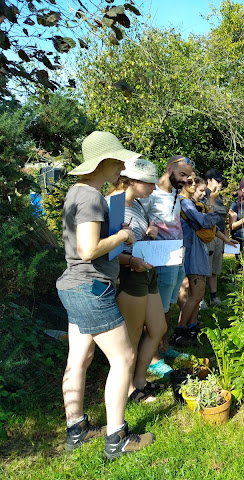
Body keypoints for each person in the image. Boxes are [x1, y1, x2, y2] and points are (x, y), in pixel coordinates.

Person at [56, 131, 154, 459]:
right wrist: (124, 234)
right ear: (103, 162)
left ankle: (77, 430)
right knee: (123, 358)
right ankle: (117, 439)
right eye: (117, 162)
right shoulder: (91, 197)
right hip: (91, 288)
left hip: (73, 285)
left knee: (79, 359)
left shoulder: (76, 192)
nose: (121, 169)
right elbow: (88, 249)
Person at [107, 158, 167, 403]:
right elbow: (106, 252)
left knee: (158, 328)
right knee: (131, 336)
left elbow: (134, 240)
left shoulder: (138, 204)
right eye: (150, 183)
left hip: (146, 271)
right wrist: (130, 261)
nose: (154, 188)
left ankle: (140, 380)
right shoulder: (114, 205)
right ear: (131, 181)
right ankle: (130, 388)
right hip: (129, 274)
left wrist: (149, 235)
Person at [136, 155, 194, 375]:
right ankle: (153, 358)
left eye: (188, 176)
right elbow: (137, 219)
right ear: (169, 168)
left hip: (176, 257)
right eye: (182, 174)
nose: (186, 180)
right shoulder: (151, 194)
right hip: (159, 259)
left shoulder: (176, 193)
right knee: (156, 308)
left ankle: (164, 345)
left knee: (167, 306)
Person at [170, 177, 224, 347]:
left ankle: (192, 328)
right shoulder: (185, 203)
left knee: (195, 294)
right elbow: (204, 221)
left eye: (195, 182)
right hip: (192, 251)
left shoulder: (188, 203)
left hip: (194, 248)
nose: (193, 185)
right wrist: (215, 210)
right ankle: (180, 331)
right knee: (197, 294)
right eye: (189, 182)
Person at [204, 168, 229, 306]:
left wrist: (226, 237)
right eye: (218, 181)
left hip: (219, 236)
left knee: (215, 268)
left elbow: (222, 218)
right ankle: (200, 299)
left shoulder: (218, 196)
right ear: (209, 180)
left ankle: (213, 297)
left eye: (222, 181)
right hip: (208, 236)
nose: (220, 184)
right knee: (205, 269)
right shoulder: (204, 194)